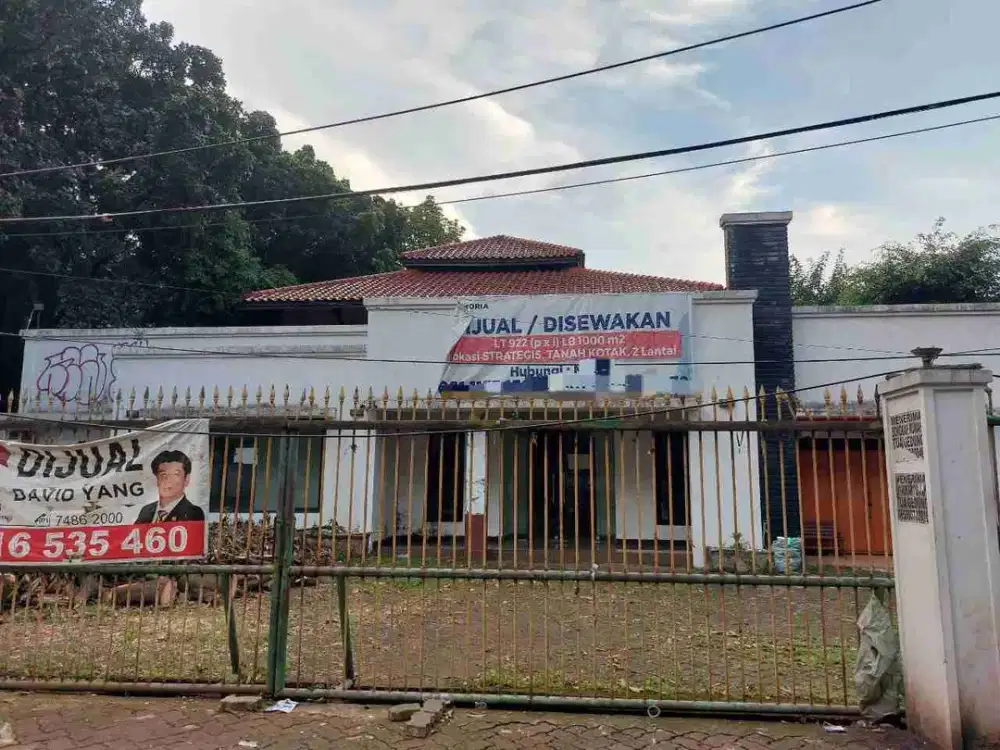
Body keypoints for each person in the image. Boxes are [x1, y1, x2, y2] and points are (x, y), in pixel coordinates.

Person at [135, 449, 205, 523]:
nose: (168, 480)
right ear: (157, 479)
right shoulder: (146, 510)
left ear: (186, 479)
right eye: (163, 475)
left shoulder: (193, 512)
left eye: (175, 474)